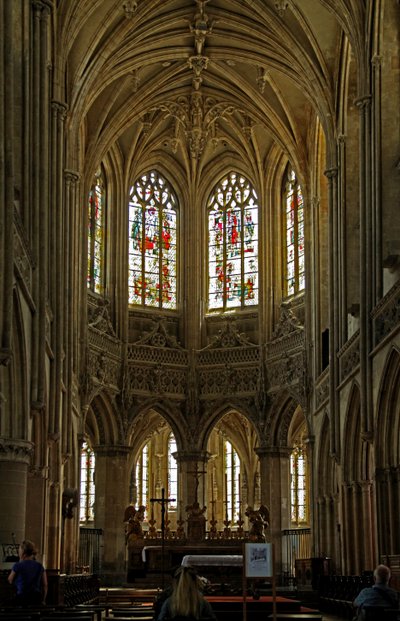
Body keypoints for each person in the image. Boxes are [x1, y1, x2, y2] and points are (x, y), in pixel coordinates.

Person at [8, 539, 48, 607]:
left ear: (23, 552)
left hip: (21, 598)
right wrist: (43, 600)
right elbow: (45, 585)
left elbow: (10, 580)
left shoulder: (18, 565)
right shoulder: (39, 566)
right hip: (36, 599)